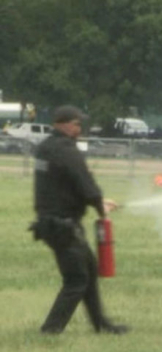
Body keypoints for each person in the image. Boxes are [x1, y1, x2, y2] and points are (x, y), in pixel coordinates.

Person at [30, 105, 128, 335]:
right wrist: (99, 205)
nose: (79, 128)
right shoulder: (67, 151)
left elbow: (63, 185)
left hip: (52, 222)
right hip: (62, 225)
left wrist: (98, 202)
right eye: (76, 124)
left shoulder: (46, 148)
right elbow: (85, 183)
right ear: (62, 124)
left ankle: (101, 324)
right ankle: (50, 330)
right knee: (76, 279)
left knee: (89, 271)